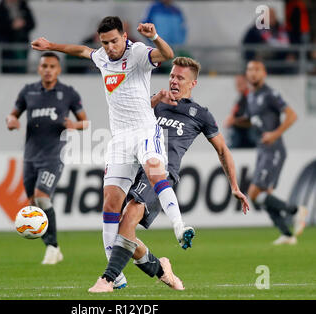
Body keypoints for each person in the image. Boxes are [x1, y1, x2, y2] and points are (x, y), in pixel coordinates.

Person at [31, 16, 194, 289]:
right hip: (119, 139)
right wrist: (52, 45)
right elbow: (82, 51)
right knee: (109, 204)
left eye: (114, 41)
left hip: (144, 131)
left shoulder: (139, 53)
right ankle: (116, 275)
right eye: (105, 42)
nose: (110, 47)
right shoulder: (102, 57)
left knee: (155, 169)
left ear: (124, 35)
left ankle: (180, 227)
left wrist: (154, 36)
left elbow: (167, 54)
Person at [88, 57, 250, 293]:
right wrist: (154, 99)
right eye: (172, 76)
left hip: (160, 172)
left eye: (180, 78)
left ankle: (109, 279)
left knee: (130, 215)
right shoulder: (157, 102)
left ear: (192, 83)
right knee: (123, 230)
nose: (174, 81)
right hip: (133, 166)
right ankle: (162, 270)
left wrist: (234, 186)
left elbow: (223, 150)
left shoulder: (200, 114)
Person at [5, 52, 88, 264]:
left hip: (53, 155)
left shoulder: (68, 93)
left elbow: (85, 122)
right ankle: (52, 247)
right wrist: (11, 121)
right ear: (39, 69)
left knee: (42, 196)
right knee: (33, 204)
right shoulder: (28, 91)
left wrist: (74, 125)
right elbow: (13, 114)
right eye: (44, 66)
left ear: (59, 70)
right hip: (31, 156)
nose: (48, 69)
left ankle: (52, 247)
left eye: (52, 66)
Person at [233, 60, 308, 245]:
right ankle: (287, 235)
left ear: (264, 73)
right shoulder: (251, 96)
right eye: (250, 69)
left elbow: (292, 115)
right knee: (261, 197)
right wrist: (236, 121)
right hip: (262, 150)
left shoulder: (270, 94)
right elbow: (253, 120)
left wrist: (275, 134)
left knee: (255, 193)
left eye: (257, 70)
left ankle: (296, 211)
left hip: (273, 150)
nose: (252, 73)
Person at [242, 7, 295, 74]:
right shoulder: (254, 30)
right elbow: (246, 46)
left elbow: (291, 44)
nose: (271, 18)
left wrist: (291, 54)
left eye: (273, 15)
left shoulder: (282, 29)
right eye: (269, 16)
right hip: (262, 61)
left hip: (279, 60)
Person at [0, 0, 35, 73]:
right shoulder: (0, 8)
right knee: (9, 69)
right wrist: (11, 26)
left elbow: (32, 23)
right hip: (7, 46)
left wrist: (23, 23)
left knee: (21, 67)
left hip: (22, 43)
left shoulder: (24, 7)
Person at [223, 75, 257, 149]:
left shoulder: (251, 98)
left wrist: (233, 121)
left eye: (240, 83)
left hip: (247, 138)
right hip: (241, 137)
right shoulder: (241, 99)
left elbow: (251, 118)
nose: (238, 86)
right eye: (237, 84)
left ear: (247, 83)